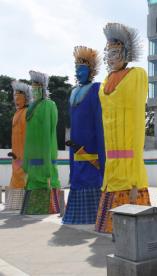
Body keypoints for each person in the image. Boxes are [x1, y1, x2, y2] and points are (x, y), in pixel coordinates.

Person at [95, 23, 151, 233]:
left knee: (128, 178)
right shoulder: (105, 82)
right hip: (112, 156)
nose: (111, 57)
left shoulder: (136, 75)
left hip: (129, 158)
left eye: (116, 52)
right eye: (108, 52)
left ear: (126, 53)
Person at [62, 46, 105, 224]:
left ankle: (94, 215)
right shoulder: (73, 92)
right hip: (75, 148)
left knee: (91, 177)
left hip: (92, 147)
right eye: (76, 69)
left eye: (82, 68)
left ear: (91, 70)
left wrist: (101, 155)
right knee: (77, 177)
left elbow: (99, 123)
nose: (79, 72)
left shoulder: (96, 89)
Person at [21, 70, 61, 215]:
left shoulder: (49, 105)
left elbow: (48, 132)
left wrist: (47, 164)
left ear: (43, 88)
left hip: (45, 158)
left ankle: (50, 207)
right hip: (33, 159)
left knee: (45, 180)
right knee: (33, 181)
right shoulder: (30, 109)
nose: (34, 89)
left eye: (37, 86)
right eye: (32, 86)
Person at [5, 81, 31, 210]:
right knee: (15, 176)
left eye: (19, 98)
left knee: (22, 177)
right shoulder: (16, 113)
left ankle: (22, 204)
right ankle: (14, 204)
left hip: (23, 154)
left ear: (26, 99)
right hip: (15, 152)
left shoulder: (26, 112)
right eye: (15, 98)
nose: (16, 101)